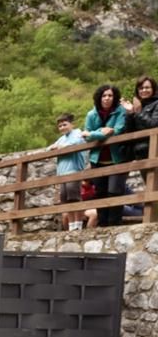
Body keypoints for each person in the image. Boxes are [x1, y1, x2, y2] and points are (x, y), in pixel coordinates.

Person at [82, 84, 130, 227]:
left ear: (114, 97)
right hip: (97, 160)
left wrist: (93, 134)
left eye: (110, 95)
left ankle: (114, 224)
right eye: (104, 95)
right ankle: (103, 226)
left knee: (115, 192)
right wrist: (100, 133)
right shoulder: (91, 114)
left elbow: (118, 130)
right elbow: (87, 136)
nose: (107, 98)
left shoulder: (120, 111)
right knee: (100, 193)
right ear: (99, 97)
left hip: (117, 158)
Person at [47, 113, 88, 230]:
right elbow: (49, 148)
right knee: (66, 200)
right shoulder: (61, 139)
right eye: (60, 126)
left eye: (65, 125)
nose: (62, 128)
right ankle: (71, 225)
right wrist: (54, 148)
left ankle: (78, 224)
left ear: (72, 124)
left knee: (74, 198)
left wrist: (60, 147)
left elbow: (72, 144)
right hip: (62, 173)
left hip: (73, 170)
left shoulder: (77, 133)